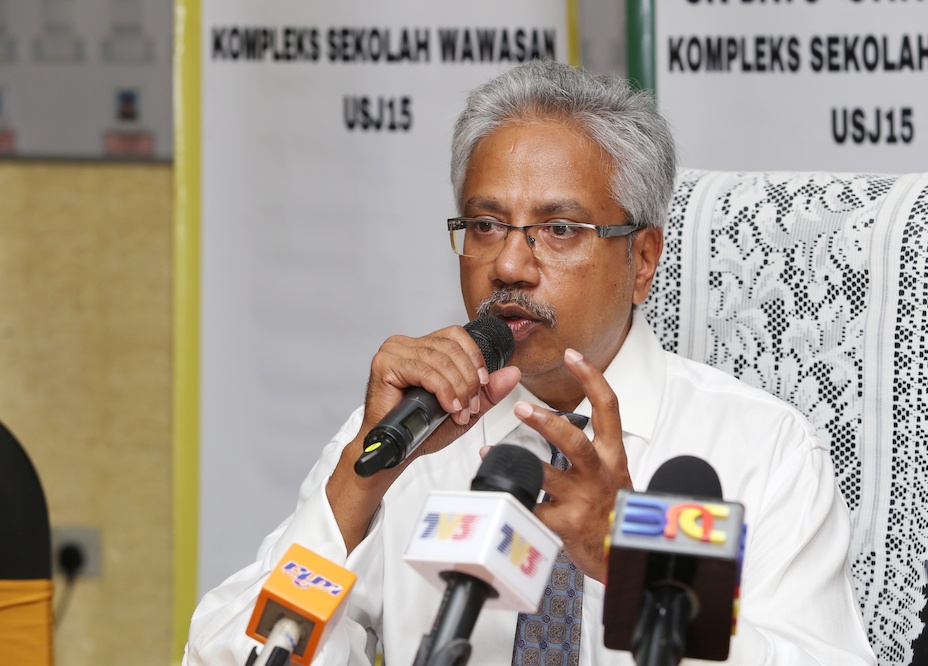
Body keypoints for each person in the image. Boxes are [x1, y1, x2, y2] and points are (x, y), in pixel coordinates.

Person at [184, 61, 875, 665]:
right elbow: (228, 657)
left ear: (642, 259)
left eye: (559, 230)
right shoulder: (409, 437)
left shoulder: (760, 449)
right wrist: (354, 492)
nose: (509, 264)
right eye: (485, 225)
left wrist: (630, 566)